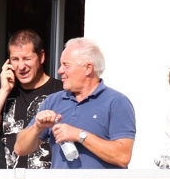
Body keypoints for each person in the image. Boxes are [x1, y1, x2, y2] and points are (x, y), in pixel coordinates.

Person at [15, 37, 136, 169]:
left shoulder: (116, 102)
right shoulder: (53, 101)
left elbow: (123, 156)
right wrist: (37, 127)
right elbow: (20, 149)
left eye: (66, 65)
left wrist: (80, 135)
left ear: (88, 68)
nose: (59, 71)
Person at [0, 29, 63, 169]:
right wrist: (4, 90)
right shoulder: (6, 93)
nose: (21, 67)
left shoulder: (61, 92)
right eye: (15, 59)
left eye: (27, 58)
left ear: (42, 57)